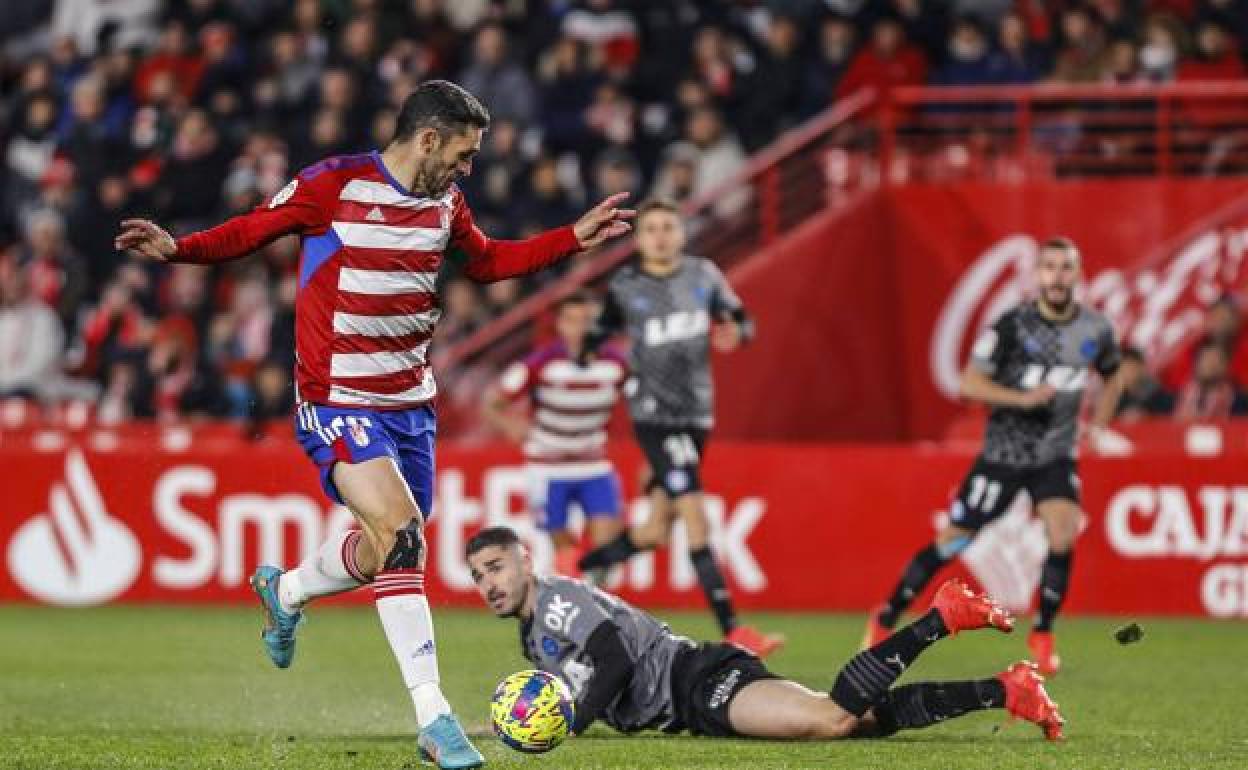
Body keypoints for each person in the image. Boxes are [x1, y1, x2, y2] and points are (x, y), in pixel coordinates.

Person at [115, 79, 633, 770]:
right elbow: (251, 230)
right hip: (336, 397)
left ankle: (289, 589)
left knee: (388, 543)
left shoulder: (445, 203)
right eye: (464, 152)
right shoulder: (334, 185)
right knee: (401, 532)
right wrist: (180, 250)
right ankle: (434, 717)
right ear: (428, 138)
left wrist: (572, 238)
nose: (468, 167)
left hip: (410, 404)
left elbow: (487, 263)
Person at [466, 526, 1065, 744]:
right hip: (690, 700)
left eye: (496, 567)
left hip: (698, 682)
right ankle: (1006, 691)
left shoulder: (556, 599)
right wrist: (502, 725)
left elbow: (615, 660)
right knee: (857, 722)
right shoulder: (535, 633)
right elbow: (562, 689)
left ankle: (942, 616)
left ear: (524, 559)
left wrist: (566, 726)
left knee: (831, 719)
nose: (488, 583)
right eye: (477, 576)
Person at [865, 237, 1126, 676]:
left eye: (1066, 268)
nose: (1058, 277)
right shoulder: (1011, 327)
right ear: (1037, 276)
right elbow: (969, 385)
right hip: (1003, 456)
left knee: (1062, 532)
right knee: (955, 540)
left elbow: (1114, 376)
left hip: (1055, 455)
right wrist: (1021, 399)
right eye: (1050, 268)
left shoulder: (1096, 330)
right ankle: (886, 614)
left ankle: (1042, 633)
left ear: (1078, 276)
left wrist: (1099, 424)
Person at [575, 198, 781, 657]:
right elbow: (599, 332)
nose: (661, 236)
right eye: (652, 229)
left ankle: (585, 564)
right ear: (640, 238)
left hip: (697, 416)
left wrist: (737, 333)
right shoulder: (627, 284)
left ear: (681, 234)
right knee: (696, 518)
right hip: (654, 415)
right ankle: (735, 630)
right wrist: (588, 357)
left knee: (654, 532)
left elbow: (743, 321)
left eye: (669, 227)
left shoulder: (704, 276)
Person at [481, 290, 628, 577]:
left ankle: (593, 602)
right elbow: (493, 401)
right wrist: (511, 425)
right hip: (548, 467)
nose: (580, 328)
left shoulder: (616, 363)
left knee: (608, 546)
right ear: (560, 325)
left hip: (592, 463)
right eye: (572, 321)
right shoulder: (541, 363)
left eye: (587, 320)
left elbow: (642, 400)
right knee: (565, 548)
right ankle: (582, 607)